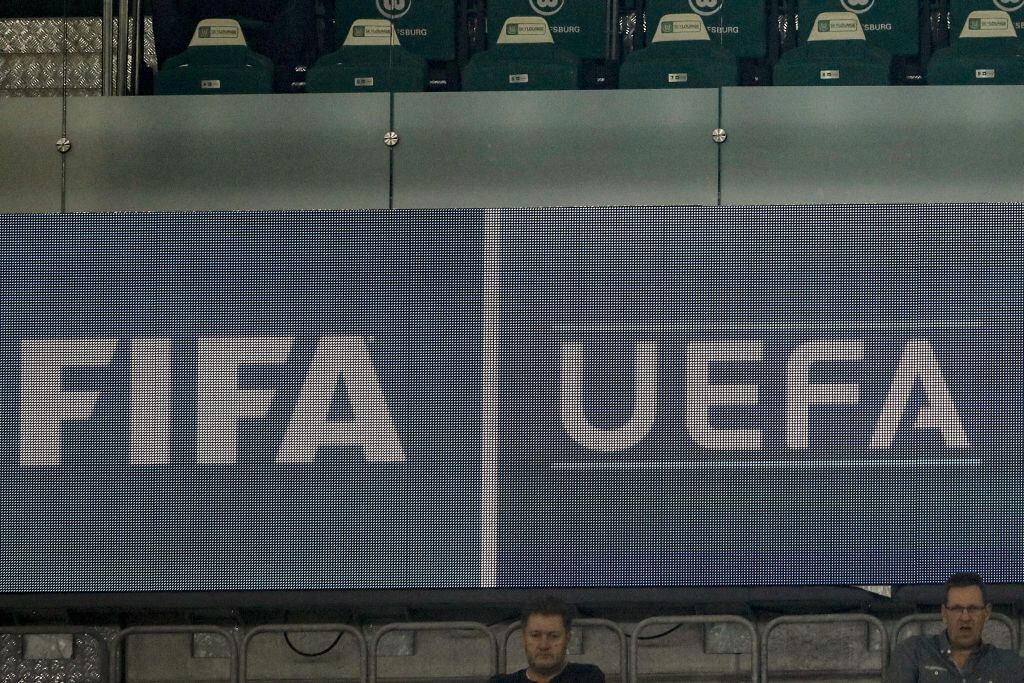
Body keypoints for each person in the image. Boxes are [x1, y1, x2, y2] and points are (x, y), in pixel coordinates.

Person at [885, 572, 1024, 681]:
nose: (965, 617)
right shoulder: (913, 653)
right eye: (957, 609)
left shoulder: (1008, 663)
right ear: (944, 613)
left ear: (986, 613)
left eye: (973, 608)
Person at [489, 596, 605, 683]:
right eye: (535, 635)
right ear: (524, 638)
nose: (544, 645)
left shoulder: (587, 677)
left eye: (553, 636)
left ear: (567, 638)